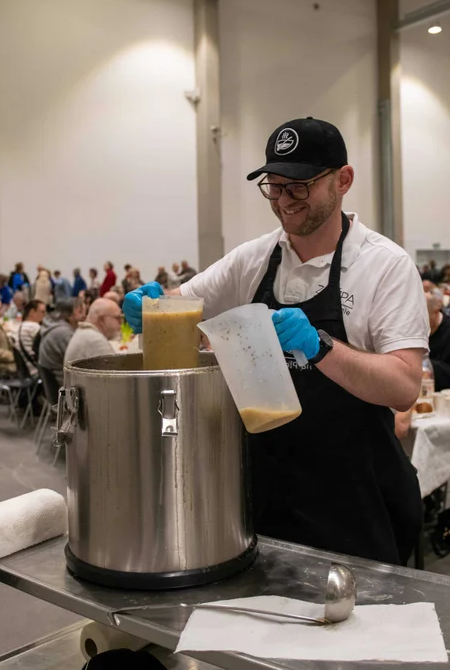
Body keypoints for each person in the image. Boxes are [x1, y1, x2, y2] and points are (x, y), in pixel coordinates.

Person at [122, 117, 427, 566]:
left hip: (356, 497)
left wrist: (321, 346)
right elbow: (178, 307)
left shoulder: (384, 266)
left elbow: (403, 387)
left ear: (342, 180)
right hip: (264, 490)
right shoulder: (254, 259)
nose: (284, 201)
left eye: (299, 187)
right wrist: (148, 308)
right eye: (274, 187)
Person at [64, 299, 123, 366]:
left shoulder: (86, 333)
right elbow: (117, 373)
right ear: (101, 320)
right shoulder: (95, 340)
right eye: (117, 318)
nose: (121, 322)